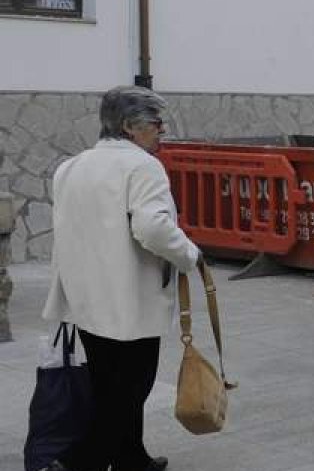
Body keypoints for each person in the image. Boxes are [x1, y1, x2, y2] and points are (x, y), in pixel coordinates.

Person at [42, 86, 202, 471]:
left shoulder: (71, 165)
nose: (161, 130)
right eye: (155, 123)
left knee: (108, 385)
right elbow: (153, 228)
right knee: (128, 391)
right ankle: (77, 463)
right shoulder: (142, 166)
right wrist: (189, 254)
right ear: (130, 126)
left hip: (86, 298)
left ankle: (133, 459)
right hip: (129, 300)